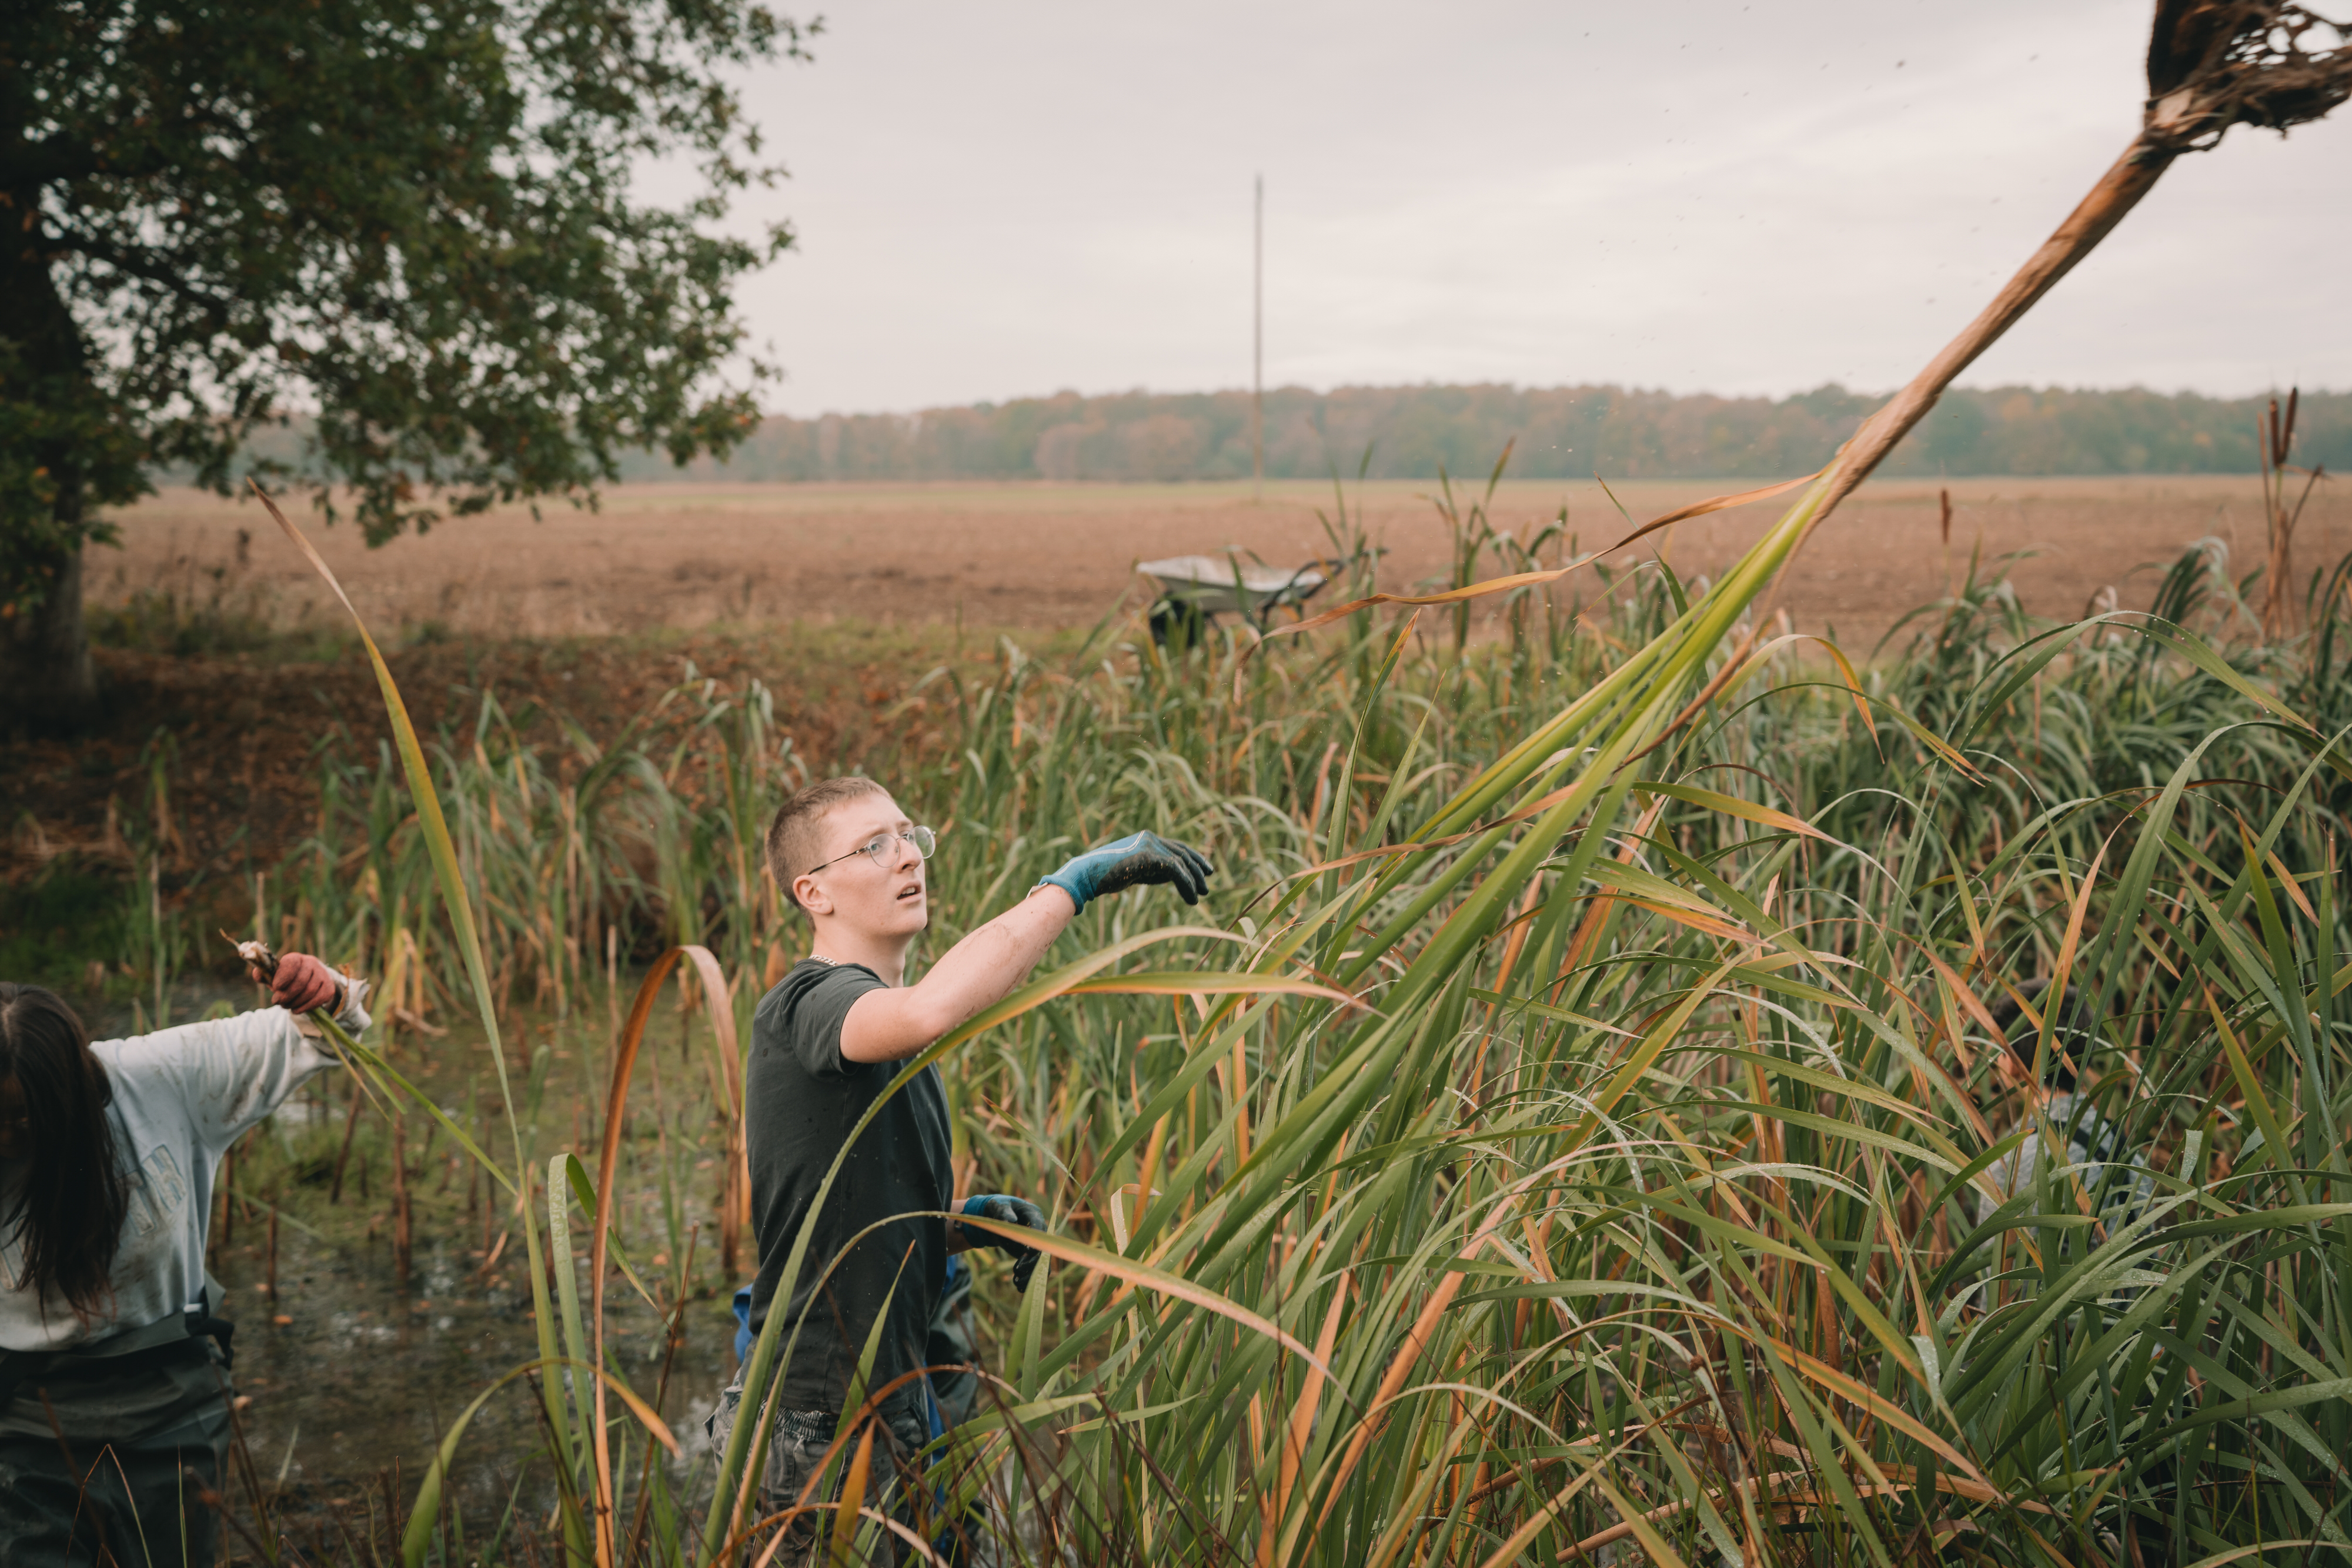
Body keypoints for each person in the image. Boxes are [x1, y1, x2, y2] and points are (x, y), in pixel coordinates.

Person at [713, 777, 1210, 1564]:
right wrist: (1072, 883)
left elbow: (846, 1209)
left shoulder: (881, 1028)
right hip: (822, 1416)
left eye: (909, 836)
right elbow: (930, 1010)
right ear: (814, 892)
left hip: (896, 1393)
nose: (908, 857)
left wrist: (958, 1227)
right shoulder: (809, 1002)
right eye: (873, 846)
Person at [0, 955, 370, 1567]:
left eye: (24, 1117)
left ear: (73, 1090)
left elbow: (320, 1031)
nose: (12, 1137)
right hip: (23, 1420)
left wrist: (322, 991)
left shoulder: (156, 1077)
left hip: (170, 1399)